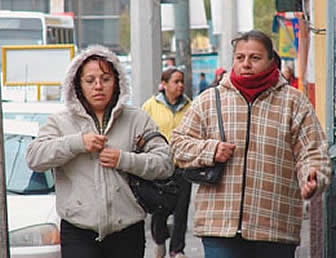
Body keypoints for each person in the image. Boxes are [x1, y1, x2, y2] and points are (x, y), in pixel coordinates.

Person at [170, 30, 331, 258]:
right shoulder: (209, 100)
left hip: (275, 227)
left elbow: (312, 152)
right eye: (240, 58)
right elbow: (177, 144)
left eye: (254, 58)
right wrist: (211, 150)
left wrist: (312, 177)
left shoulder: (293, 102)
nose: (246, 64)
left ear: (270, 61)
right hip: (219, 227)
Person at [26, 45, 174, 258]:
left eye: (105, 79)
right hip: (78, 231)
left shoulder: (137, 119)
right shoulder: (60, 121)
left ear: (117, 82)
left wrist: (124, 159)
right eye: (90, 80)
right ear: (77, 84)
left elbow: (165, 163)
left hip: (127, 231)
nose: (98, 86)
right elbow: (34, 157)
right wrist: (77, 143)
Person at [142, 68, 191, 258]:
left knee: (181, 212)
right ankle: (160, 241)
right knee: (159, 211)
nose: (180, 86)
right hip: (159, 169)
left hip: (182, 168)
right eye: (176, 81)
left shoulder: (190, 106)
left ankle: (177, 250)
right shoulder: (150, 106)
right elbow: (141, 134)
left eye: (181, 82)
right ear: (164, 84)